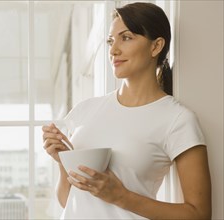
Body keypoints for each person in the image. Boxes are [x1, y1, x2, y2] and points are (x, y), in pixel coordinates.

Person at [42, 2, 212, 219]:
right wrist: (63, 162)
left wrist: (121, 196)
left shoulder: (177, 119)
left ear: (156, 46)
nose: (113, 50)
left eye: (126, 37)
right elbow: (70, 201)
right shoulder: (84, 111)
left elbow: (200, 214)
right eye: (111, 41)